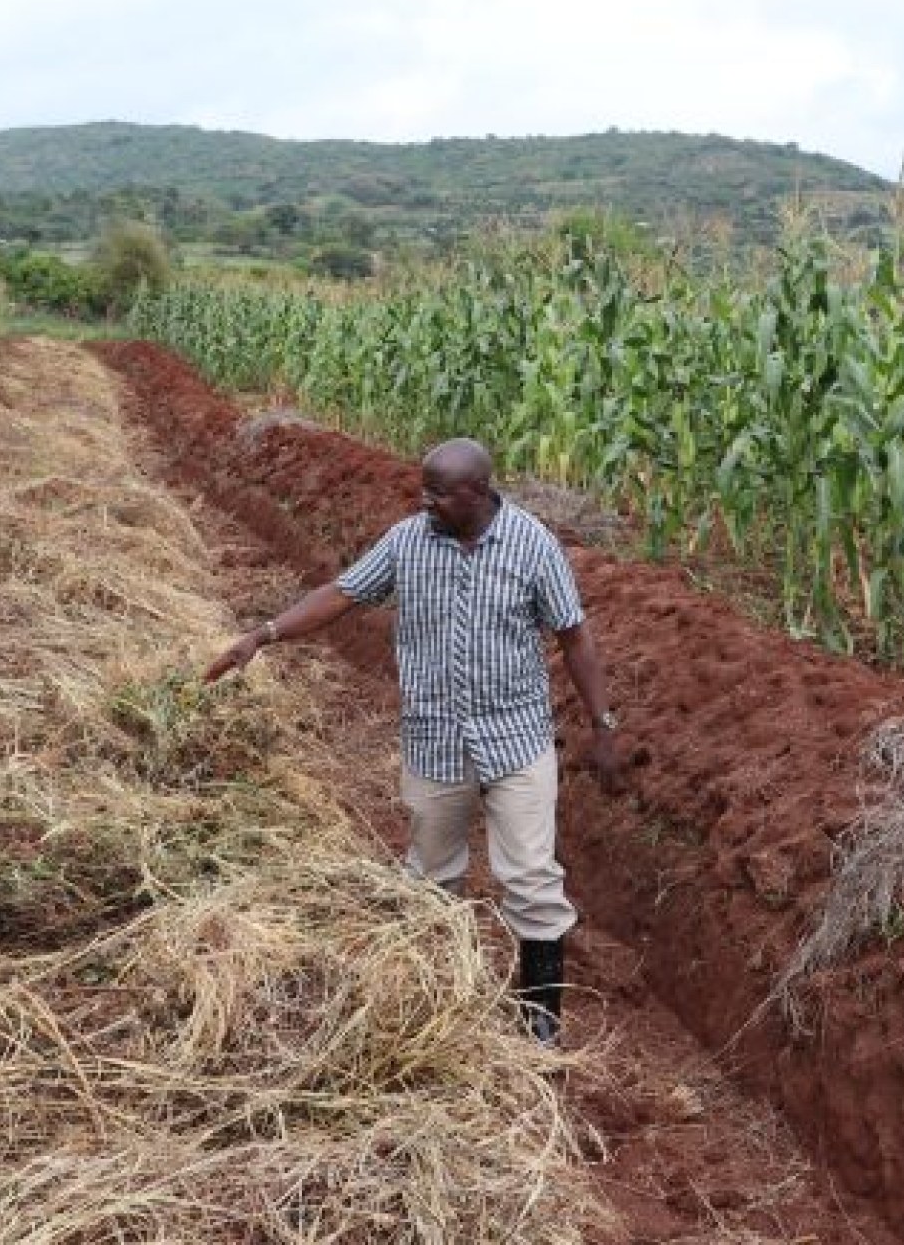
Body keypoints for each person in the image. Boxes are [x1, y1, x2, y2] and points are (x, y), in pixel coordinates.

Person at [205, 437, 624, 1044]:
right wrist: (262, 635)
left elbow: (574, 636)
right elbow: (341, 594)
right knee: (431, 876)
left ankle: (541, 1021)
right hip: (435, 741)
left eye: (437, 492)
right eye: (422, 489)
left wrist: (602, 726)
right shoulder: (407, 543)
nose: (423, 501)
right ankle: (437, 1002)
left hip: (517, 740)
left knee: (532, 877)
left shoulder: (534, 545)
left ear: (477, 492)